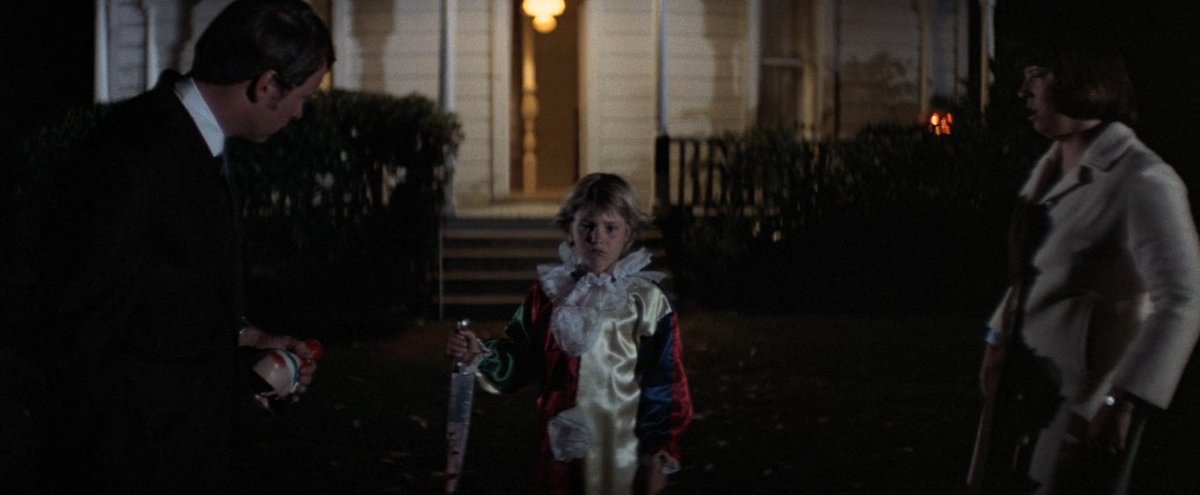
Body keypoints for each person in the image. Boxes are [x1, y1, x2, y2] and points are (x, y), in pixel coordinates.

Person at [9, 0, 335, 491]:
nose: (299, 113)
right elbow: (82, 330)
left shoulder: (190, 143)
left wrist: (247, 340)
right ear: (266, 84)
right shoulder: (132, 156)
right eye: (302, 96)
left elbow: (159, 295)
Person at [969, 38, 1200, 494]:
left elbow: (1183, 299)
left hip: (1082, 401)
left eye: (1038, 76)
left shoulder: (1143, 179)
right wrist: (997, 338)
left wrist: (1123, 401)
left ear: (1083, 81)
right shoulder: (1048, 170)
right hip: (1020, 388)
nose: (1024, 91)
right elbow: (1031, 271)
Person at [447, 173, 693, 494]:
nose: (597, 238)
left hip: (621, 452)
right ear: (570, 230)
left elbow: (666, 380)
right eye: (586, 226)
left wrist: (660, 449)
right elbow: (521, 357)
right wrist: (480, 354)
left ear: (628, 234)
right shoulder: (549, 296)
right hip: (560, 449)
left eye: (610, 227)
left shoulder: (646, 303)